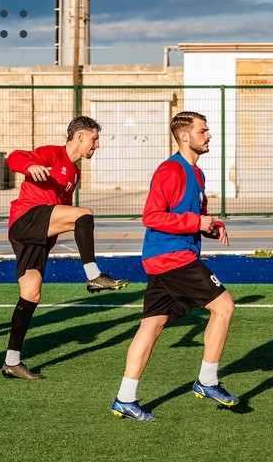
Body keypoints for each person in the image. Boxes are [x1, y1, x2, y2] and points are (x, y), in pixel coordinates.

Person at [111, 111, 237, 421]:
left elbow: (193, 216)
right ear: (184, 136)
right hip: (172, 258)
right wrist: (197, 221)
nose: (208, 136)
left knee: (151, 326)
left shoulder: (197, 174)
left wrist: (210, 225)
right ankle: (207, 381)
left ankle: (125, 399)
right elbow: (152, 216)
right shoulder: (171, 171)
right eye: (203, 131)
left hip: (165, 258)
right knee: (224, 307)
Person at [2, 115, 129, 380]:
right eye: (94, 139)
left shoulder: (75, 172)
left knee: (31, 294)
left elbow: (64, 214)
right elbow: (13, 157)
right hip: (26, 219)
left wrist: (55, 238)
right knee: (84, 214)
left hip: (38, 237)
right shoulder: (51, 153)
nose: (97, 145)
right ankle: (94, 275)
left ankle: (11, 362)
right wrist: (30, 165)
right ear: (80, 136)